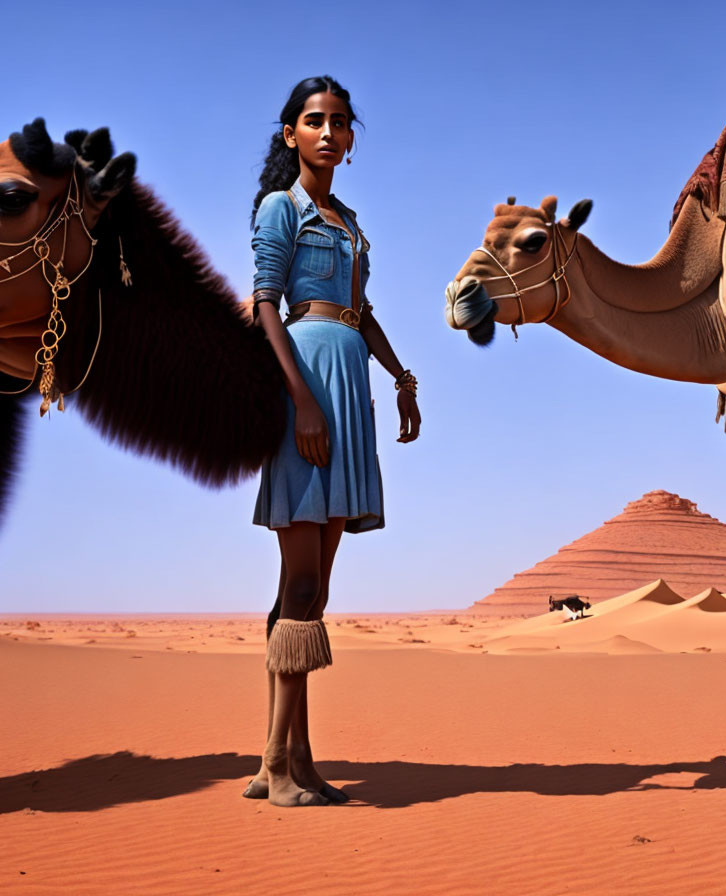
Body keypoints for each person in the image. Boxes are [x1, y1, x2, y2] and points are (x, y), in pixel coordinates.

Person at [241, 75, 420, 807]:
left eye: (339, 122)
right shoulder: (279, 209)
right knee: (304, 584)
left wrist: (403, 376)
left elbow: (361, 311)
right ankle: (281, 770)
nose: (328, 132)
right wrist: (302, 403)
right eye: (314, 121)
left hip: (350, 381)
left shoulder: (347, 220)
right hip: (307, 386)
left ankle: (289, 759)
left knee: (308, 591)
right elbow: (263, 304)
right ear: (292, 134)